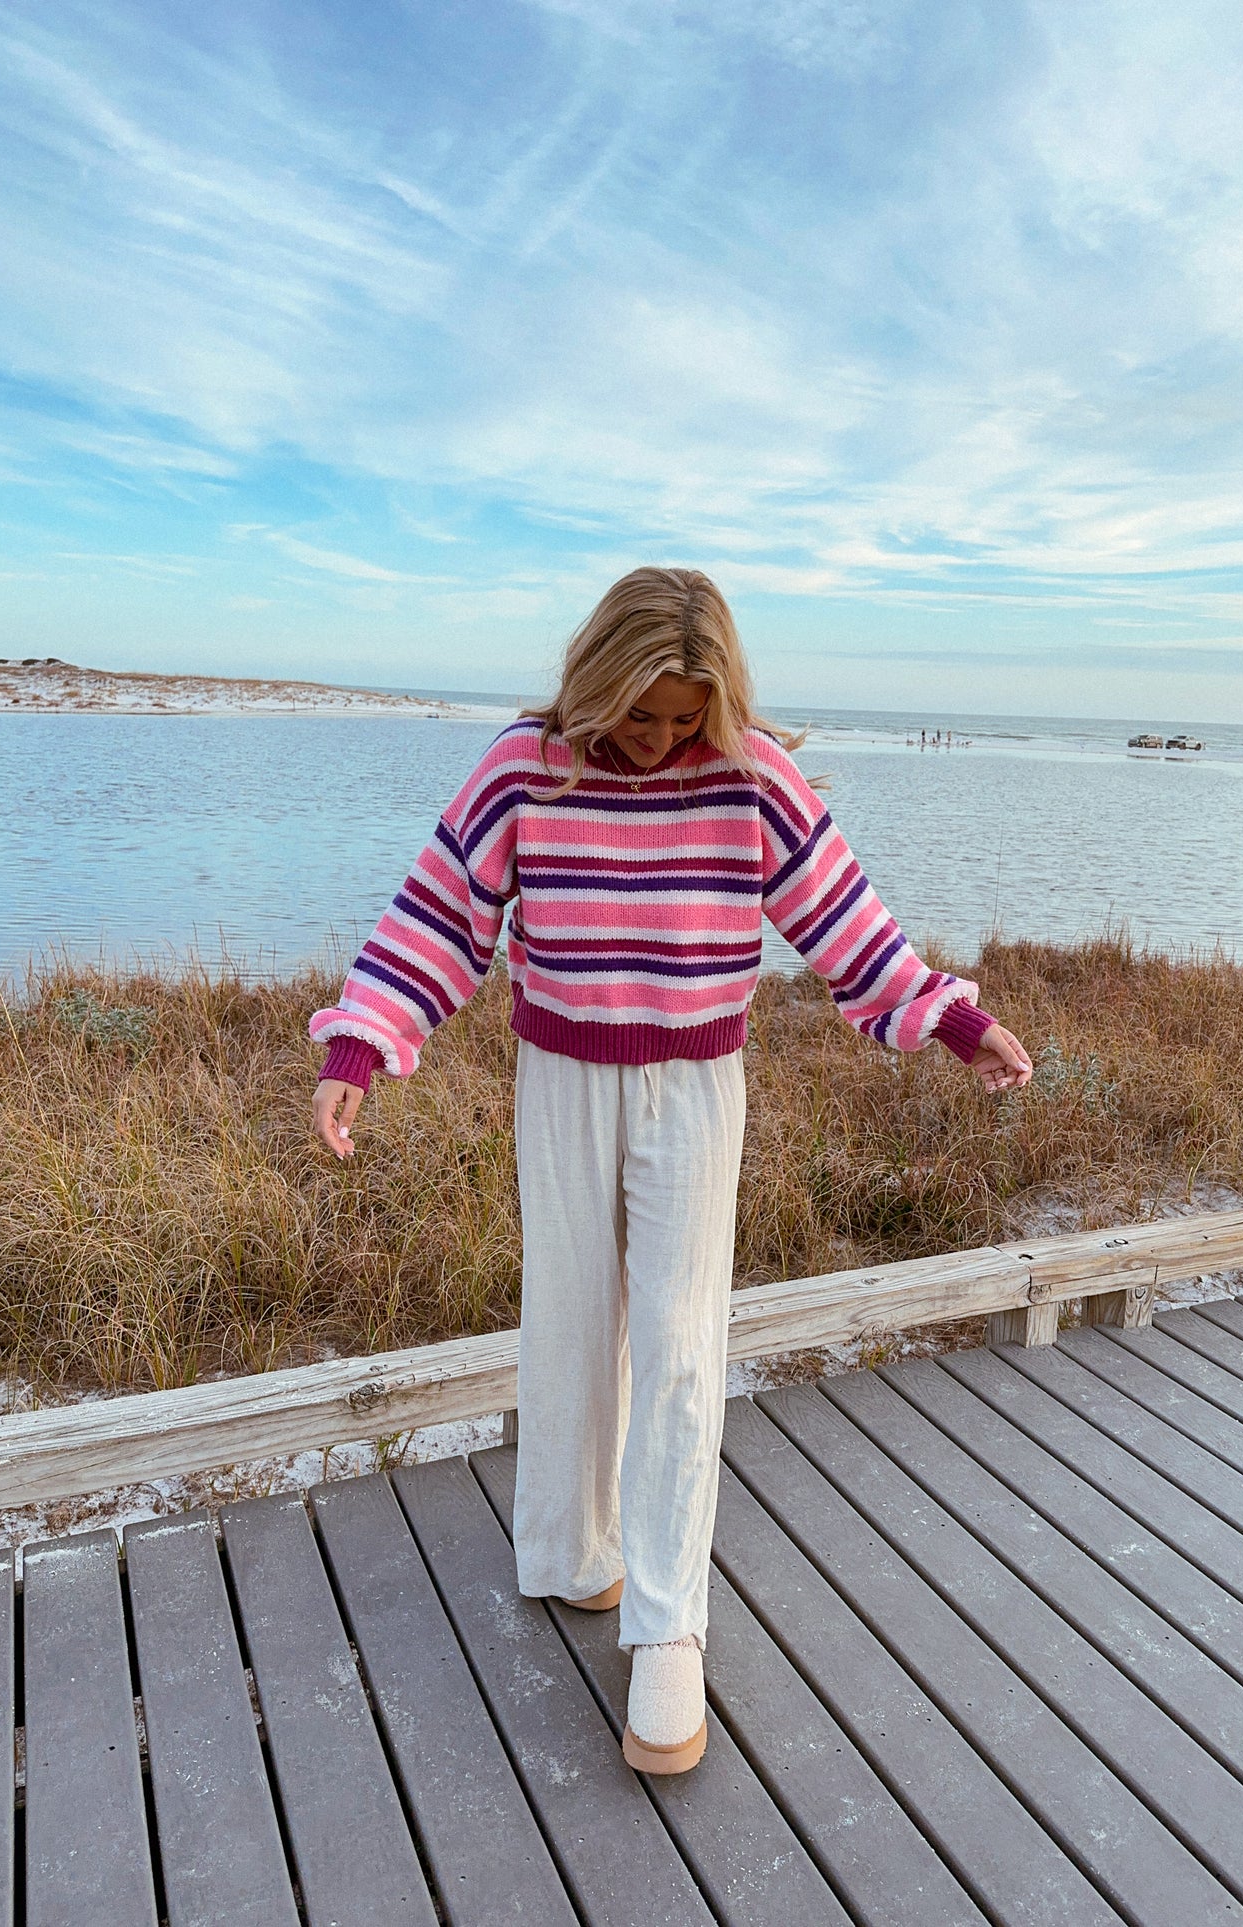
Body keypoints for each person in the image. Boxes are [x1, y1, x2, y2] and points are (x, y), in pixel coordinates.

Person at [310, 567, 1032, 1776]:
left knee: (683, 1344)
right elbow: (438, 918)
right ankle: (569, 1545)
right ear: (593, 679)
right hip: (562, 1079)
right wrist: (360, 1044)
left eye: (679, 718)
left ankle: (665, 1628)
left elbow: (845, 923)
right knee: (572, 1320)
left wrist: (946, 1019)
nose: (653, 741)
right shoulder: (521, 769)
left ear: (717, 699)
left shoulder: (751, 777)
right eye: (633, 715)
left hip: (697, 1089)